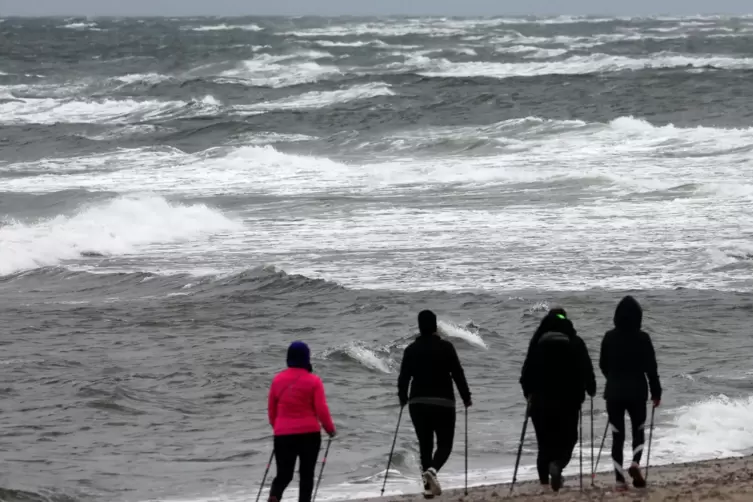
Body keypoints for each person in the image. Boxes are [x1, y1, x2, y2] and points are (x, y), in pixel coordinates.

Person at [520, 308, 596, 492]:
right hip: (569, 402)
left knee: (544, 445)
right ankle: (558, 465)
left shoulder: (536, 343)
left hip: (540, 403)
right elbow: (587, 370)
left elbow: (525, 375)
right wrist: (590, 389)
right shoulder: (576, 342)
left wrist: (529, 395)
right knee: (569, 439)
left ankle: (545, 486)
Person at [397, 310, 472, 499]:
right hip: (443, 402)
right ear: (435, 325)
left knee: (425, 445)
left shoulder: (411, 350)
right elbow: (457, 373)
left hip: (418, 403)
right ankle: (433, 469)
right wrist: (466, 396)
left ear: (419, 326)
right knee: (445, 445)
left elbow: (403, 377)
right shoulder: (446, 347)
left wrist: (402, 397)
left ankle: (428, 488)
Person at [600, 296, 661, 492]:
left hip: (614, 392)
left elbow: (603, 364)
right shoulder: (643, 338)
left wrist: (612, 378)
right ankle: (635, 462)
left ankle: (619, 481)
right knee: (638, 430)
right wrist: (656, 392)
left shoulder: (609, 337)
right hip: (637, 391)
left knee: (617, 435)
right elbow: (651, 368)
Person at [267, 341, 336, 502]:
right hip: (309, 434)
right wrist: (330, 429)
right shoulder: (313, 381)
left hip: (283, 435)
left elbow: (272, 411)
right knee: (306, 475)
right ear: (307, 358)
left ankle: (275, 495)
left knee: (284, 474)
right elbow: (321, 409)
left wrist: (277, 428)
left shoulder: (277, 380)